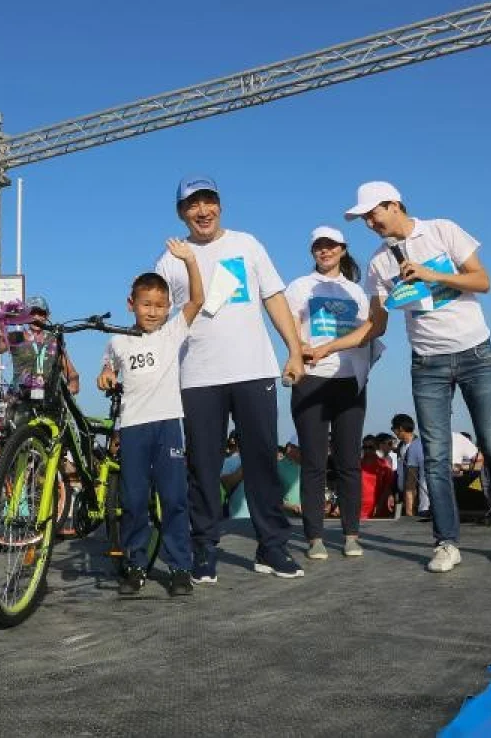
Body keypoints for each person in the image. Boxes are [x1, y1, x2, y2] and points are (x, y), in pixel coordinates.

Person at [346, 180, 491, 572]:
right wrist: (326, 349)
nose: (370, 223)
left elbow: (483, 280)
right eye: (364, 219)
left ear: (393, 204)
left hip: (476, 353)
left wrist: (432, 274)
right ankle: (446, 543)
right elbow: (377, 322)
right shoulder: (378, 263)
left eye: (372, 214)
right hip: (427, 363)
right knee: (435, 456)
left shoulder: (442, 230)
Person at [155, 175, 306, 582]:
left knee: (261, 461)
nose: (202, 211)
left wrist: (293, 349)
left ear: (220, 205)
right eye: (192, 205)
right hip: (198, 376)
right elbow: (154, 315)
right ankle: (203, 548)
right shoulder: (171, 259)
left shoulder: (247, 244)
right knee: (203, 467)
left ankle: (272, 547)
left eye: (209, 202)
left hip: (253, 370)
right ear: (181, 213)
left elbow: (274, 297)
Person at [98, 238, 204, 596]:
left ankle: (179, 567)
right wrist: (105, 376)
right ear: (132, 305)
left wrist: (189, 260)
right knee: (133, 500)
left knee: (174, 498)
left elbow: (198, 300)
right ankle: (134, 564)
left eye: (160, 305)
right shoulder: (117, 340)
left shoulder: (172, 333)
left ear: (168, 306)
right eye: (147, 304)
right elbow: (106, 371)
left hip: (168, 426)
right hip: (132, 429)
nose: (154, 311)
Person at [284, 225, 379, 560]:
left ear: (342, 249)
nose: (324, 252)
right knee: (313, 461)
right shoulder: (299, 286)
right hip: (311, 379)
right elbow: (290, 321)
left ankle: (351, 534)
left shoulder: (356, 290)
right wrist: (299, 347)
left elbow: (369, 331)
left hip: (349, 379)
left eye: (331, 246)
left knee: (349, 461)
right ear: (313, 252)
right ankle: (315, 538)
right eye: (318, 247)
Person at [9, 296, 80, 396]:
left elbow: (71, 372)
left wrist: (74, 383)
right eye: (32, 313)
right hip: (19, 399)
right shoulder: (16, 336)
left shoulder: (54, 339)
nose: (36, 317)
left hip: (49, 399)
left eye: (41, 313)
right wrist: (0, 328)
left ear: (47, 316)